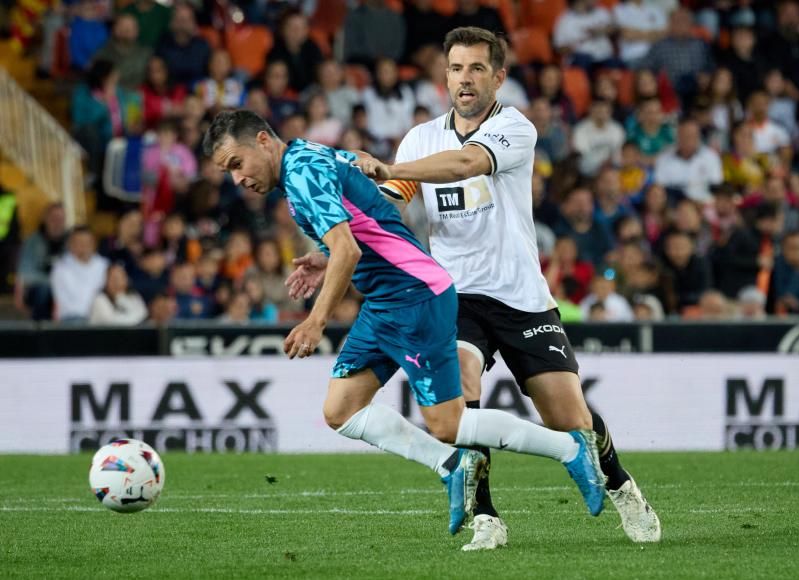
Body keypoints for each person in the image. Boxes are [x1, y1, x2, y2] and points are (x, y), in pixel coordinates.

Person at [203, 109, 606, 540]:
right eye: (228, 171)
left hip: (415, 295)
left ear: (263, 141)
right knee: (340, 410)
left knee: (448, 425)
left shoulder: (300, 173)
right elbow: (368, 212)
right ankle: (451, 465)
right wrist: (324, 257)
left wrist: (315, 321)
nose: (237, 179)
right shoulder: (308, 155)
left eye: (237, 164)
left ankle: (571, 449)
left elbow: (349, 251)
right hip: (386, 299)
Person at [353, 27, 661, 550]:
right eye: (456, 68)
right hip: (454, 294)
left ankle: (619, 482)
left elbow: (468, 163)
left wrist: (390, 165)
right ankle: (486, 515)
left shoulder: (516, 128)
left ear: (499, 77)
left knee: (570, 421)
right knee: (459, 391)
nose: (465, 79)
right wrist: (335, 245)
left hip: (520, 295)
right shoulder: (420, 138)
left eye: (476, 68)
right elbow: (388, 202)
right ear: (444, 76)